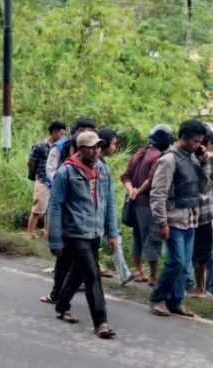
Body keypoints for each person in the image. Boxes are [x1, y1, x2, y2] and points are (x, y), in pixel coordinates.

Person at [47, 131, 119, 339]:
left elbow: (109, 203)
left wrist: (112, 233)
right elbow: (55, 207)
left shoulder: (103, 170)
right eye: (91, 147)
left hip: (95, 231)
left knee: (79, 271)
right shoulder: (66, 172)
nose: (96, 151)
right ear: (80, 149)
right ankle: (101, 321)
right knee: (91, 273)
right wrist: (55, 239)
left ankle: (61, 304)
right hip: (75, 232)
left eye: (98, 147)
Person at [149, 119, 209, 318]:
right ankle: (158, 297)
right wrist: (162, 222)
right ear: (183, 138)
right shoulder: (168, 160)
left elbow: (204, 185)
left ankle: (176, 300)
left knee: (185, 264)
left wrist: (204, 162)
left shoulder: (194, 158)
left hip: (191, 218)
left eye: (200, 142)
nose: (198, 145)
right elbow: (158, 193)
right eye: (195, 141)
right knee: (176, 261)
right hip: (174, 219)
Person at [40, 117, 97, 304]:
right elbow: (51, 173)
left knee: (81, 265)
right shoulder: (63, 149)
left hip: (86, 221)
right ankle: (60, 296)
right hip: (67, 213)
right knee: (66, 260)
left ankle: (62, 298)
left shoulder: (96, 161)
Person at [121, 124, 174, 286]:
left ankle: (138, 271)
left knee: (138, 237)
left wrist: (132, 191)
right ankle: (153, 276)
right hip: (147, 205)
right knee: (152, 238)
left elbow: (126, 176)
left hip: (133, 203)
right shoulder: (159, 156)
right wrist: (139, 191)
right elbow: (152, 180)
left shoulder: (139, 153)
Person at [188, 126, 213, 298]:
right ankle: (192, 285)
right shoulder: (187, 157)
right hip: (191, 212)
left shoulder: (212, 159)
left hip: (203, 212)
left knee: (202, 252)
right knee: (190, 251)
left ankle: (200, 287)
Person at [97, 128, 132, 285]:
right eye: (114, 144)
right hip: (96, 213)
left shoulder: (103, 165)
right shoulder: (96, 165)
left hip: (103, 211)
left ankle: (124, 273)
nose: (115, 147)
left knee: (115, 239)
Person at [27, 121, 67, 239]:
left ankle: (46, 232)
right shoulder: (40, 146)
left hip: (54, 181)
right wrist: (38, 174)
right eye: (61, 133)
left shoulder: (61, 147)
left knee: (50, 208)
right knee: (38, 207)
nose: (62, 136)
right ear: (54, 132)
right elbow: (31, 162)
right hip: (42, 180)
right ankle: (29, 232)